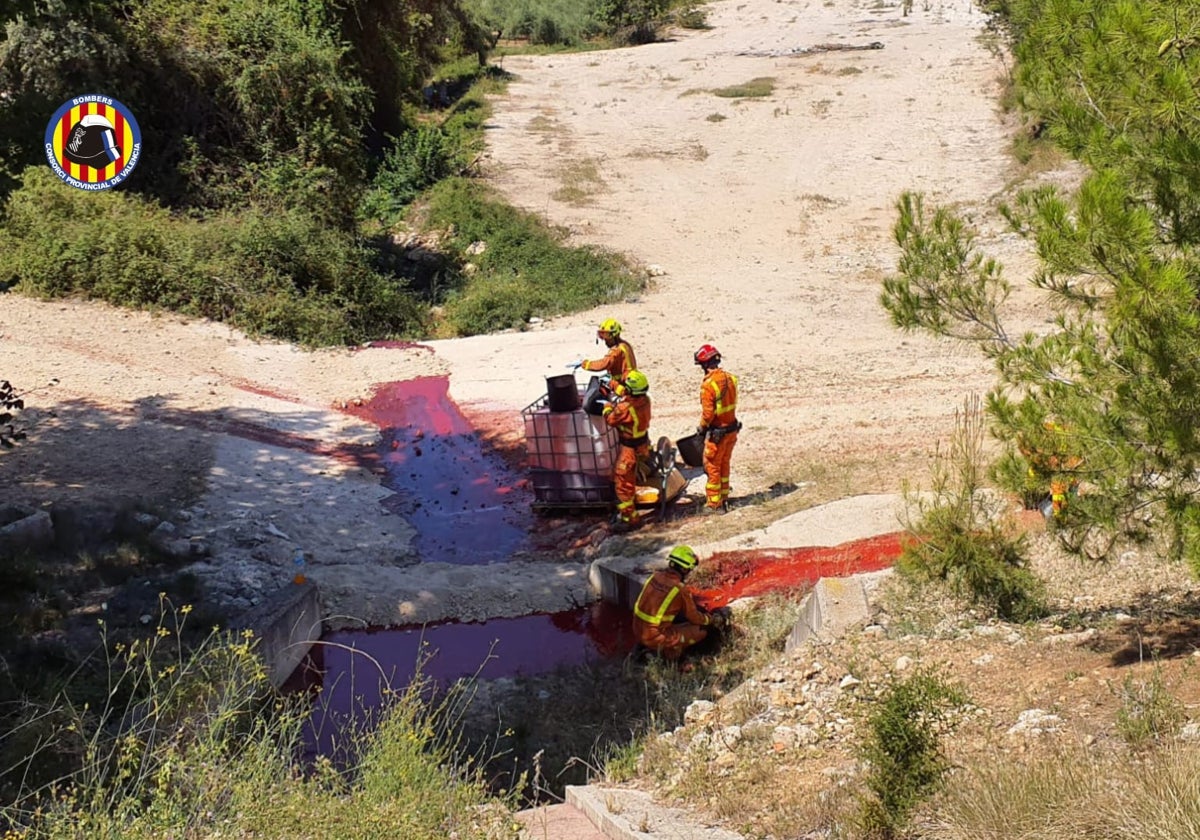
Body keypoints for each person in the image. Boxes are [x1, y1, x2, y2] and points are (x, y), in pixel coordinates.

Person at [632, 545, 726, 667]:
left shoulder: (654, 577)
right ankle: (672, 659)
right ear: (685, 570)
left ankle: (648, 647)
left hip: (638, 630)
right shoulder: (679, 589)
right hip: (657, 637)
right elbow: (694, 617)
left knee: (677, 620)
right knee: (702, 630)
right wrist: (710, 619)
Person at [601, 368, 651, 531]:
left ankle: (629, 519)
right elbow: (628, 394)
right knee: (634, 475)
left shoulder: (624, 408)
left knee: (623, 483)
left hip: (629, 449)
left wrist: (607, 404)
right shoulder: (646, 400)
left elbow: (610, 419)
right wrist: (613, 385)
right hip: (643, 445)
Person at [694, 344, 740, 513]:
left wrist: (702, 427)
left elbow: (708, 413)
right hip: (732, 430)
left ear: (705, 365)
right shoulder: (730, 378)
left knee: (713, 466)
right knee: (724, 464)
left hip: (718, 433)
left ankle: (714, 504)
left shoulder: (708, 385)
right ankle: (724, 497)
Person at [570, 318, 637, 385]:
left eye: (606, 335)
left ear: (614, 335)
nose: (604, 339)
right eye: (601, 335)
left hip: (624, 384)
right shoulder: (624, 344)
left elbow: (603, 364)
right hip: (630, 380)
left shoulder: (616, 350)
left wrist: (585, 364)